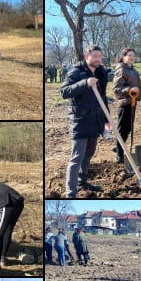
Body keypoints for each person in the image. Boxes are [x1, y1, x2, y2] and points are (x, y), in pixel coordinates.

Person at [60, 44, 108, 197]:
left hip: (95, 121)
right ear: (87, 57)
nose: (98, 59)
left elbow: (103, 98)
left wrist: (106, 121)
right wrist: (84, 83)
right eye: (95, 56)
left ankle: (82, 182)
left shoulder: (101, 72)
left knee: (88, 154)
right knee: (77, 157)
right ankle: (70, 192)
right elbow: (64, 92)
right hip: (80, 121)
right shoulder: (76, 71)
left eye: (99, 56)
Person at [112, 47, 141, 165]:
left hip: (132, 103)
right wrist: (130, 89)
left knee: (128, 128)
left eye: (133, 56)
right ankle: (119, 155)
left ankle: (119, 147)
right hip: (124, 104)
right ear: (123, 57)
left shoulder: (133, 70)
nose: (132, 58)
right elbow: (116, 89)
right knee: (122, 129)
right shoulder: (121, 70)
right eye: (129, 55)